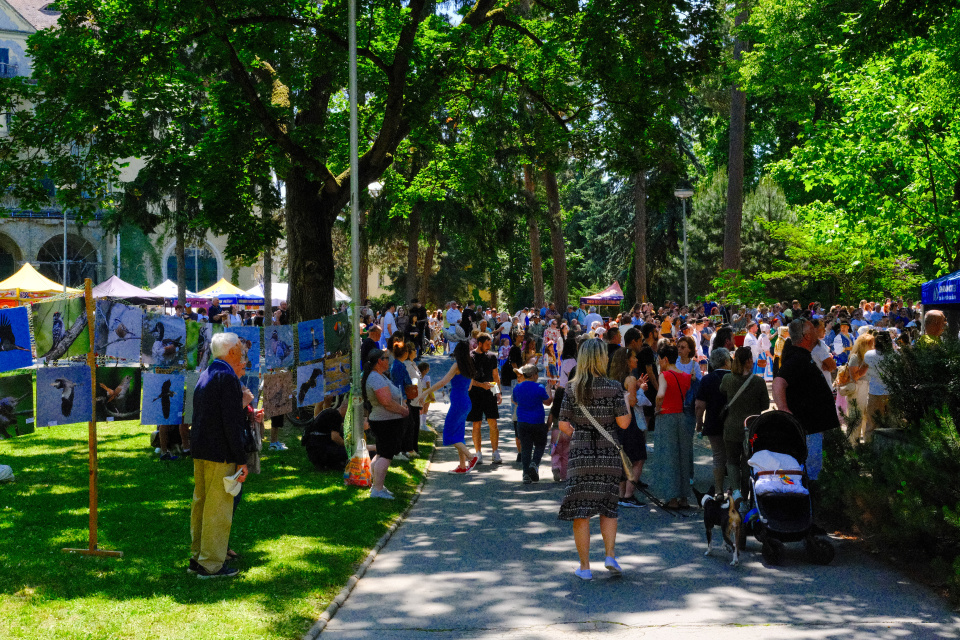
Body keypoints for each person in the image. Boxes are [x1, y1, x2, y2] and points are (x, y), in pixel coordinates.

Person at [557, 338, 631, 580]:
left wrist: (578, 433)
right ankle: (610, 555)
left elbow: (562, 424)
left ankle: (585, 567)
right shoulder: (613, 387)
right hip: (608, 454)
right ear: (601, 358)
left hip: (581, 455)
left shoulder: (572, 387)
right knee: (609, 507)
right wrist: (627, 402)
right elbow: (623, 423)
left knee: (582, 511)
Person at [188, 332, 248, 579]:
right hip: (219, 452)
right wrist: (241, 458)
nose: (243, 351)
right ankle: (211, 563)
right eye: (240, 348)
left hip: (201, 449)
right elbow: (232, 423)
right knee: (217, 508)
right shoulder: (227, 377)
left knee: (201, 504)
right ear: (232, 351)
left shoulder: (207, 373)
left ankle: (198, 557)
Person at [772, 319, 841, 485]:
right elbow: (779, 382)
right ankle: (813, 504)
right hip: (811, 428)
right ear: (807, 336)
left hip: (816, 427)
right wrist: (783, 408)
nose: (818, 334)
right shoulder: (797, 359)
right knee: (813, 475)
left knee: (817, 472)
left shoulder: (802, 356)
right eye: (814, 331)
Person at [418, 339, 478, 473]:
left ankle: (471, 457)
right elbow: (469, 386)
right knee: (459, 433)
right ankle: (462, 466)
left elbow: (443, 381)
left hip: (458, 402)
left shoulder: (457, 365)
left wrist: (426, 392)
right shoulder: (469, 365)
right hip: (466, 401)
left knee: (449, 433)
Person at [719, 347, 770, 493]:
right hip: (752, 428)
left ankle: (735, 493)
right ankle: (746, 492)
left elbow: (722, 391)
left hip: (731, 426)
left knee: (732, 461)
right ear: (748, 361)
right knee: (748, 462)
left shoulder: (727, 379)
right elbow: (765, 405)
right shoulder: (759, 382)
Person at [362, 348, 410, 499]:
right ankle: (377, 490)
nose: (388, 361)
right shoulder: (375, 378)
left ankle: (376, 486)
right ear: (379, 361)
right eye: (386, 358)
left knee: (382, 453)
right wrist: (402, 411)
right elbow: (386, 402)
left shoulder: (379, 376)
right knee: (386, 455)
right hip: (385, 421)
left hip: (386, 420)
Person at [607, 347, 648, 507]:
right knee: (638, 458)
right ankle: (629, 495)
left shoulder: (613, 378)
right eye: (634, 357)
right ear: (627, 361)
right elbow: (631, 402)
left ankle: (621, 494)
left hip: (617, 422)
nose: (636, 360)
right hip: (631, 423)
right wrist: (640, 390)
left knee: (623, 458)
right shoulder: (630, 378)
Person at [653, 344, 692, 509]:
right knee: (683, 456)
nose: (659, 363)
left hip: (666, 416)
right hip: (681, 416)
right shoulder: (685, 375)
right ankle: (684, 497)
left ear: (665, 359)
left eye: (659, 359)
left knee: (669, 457)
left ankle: (672, 498)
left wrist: (657, 407)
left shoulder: (664, 375)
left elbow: (661, 394)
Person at [695, 348, 732, 493]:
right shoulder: (736, 377)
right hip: (733, 424)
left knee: (718, 456)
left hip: (713, 422)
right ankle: (732, 490)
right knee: (732, 458)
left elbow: (699, 405)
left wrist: (699, 423)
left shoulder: (707, 379)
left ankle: (718, 491)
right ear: (726, 361)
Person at [512, 364, 553, 484]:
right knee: (540, 444)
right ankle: (534, 463)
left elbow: (514, 401)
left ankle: (525, 474)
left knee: (526, 448)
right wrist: (549, 390)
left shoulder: (517, 388)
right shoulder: (539, 387)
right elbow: (547, 402)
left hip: (522, 422)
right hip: (537, 422)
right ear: (534, 375)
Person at [468, 333, 503, 464]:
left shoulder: (492, 356)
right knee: (476, 423)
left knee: (493, 423)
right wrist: (480, 384)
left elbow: (495, 376)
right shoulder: (470, 357)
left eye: (490, 344)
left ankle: (495, 452)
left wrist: (498, 393)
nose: (489, 346)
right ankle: (478, 453)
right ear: (480, 343)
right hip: (475, 393)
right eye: (487, 344)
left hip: (490, 394)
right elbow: (469, 378)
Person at [390, 342, 420, 461]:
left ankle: (406, 449)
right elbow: (401, 383)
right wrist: (403, 398)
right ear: (405, 353)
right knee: (405, 425)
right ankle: (401, 450)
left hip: (401, 397)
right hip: (401, 398)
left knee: (407, 424)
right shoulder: (399, 366)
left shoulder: (397, 364)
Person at [862, 331, 893, 443]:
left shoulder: (868, 355)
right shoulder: (896, 356)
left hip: (874, 392)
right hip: (892, 392)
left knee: (871, 424)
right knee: (891, 425)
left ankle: (869, 448)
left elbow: (864, 371)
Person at [302, 399, 349, 470]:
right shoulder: (336, 415)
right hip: (319, 451)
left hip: (314, 450)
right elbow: (335, 437)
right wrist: (348, 445)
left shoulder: (330, 412)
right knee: (349, 452)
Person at [845, 333, 875, 443]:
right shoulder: (855, 358)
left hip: (868, 388)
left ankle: (866, 443)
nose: (873, 346)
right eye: (871, 344)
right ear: (864, 345)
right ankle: (852, 444)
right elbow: (855, 377)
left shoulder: (869, 357)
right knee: (856, 417)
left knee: (867, 417)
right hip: (858, 389)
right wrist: (866, 365)